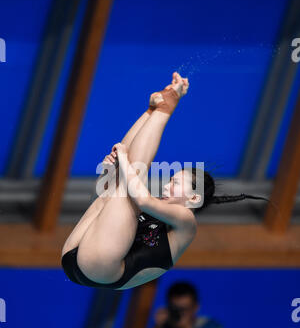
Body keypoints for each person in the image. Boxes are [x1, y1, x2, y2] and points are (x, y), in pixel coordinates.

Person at [61, 72, 269, 290]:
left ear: (194, 197)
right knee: (115, 184)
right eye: (171, 180)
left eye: (176, 183)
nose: (167, 185)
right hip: (78, 255)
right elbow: (106, 192)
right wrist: (115, 166)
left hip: (101, 268)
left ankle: (165, 108)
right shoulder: (157, 207)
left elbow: (141, 198)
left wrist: (122, 159)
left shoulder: (186, 220)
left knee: (128, 183)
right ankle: (153, 110)